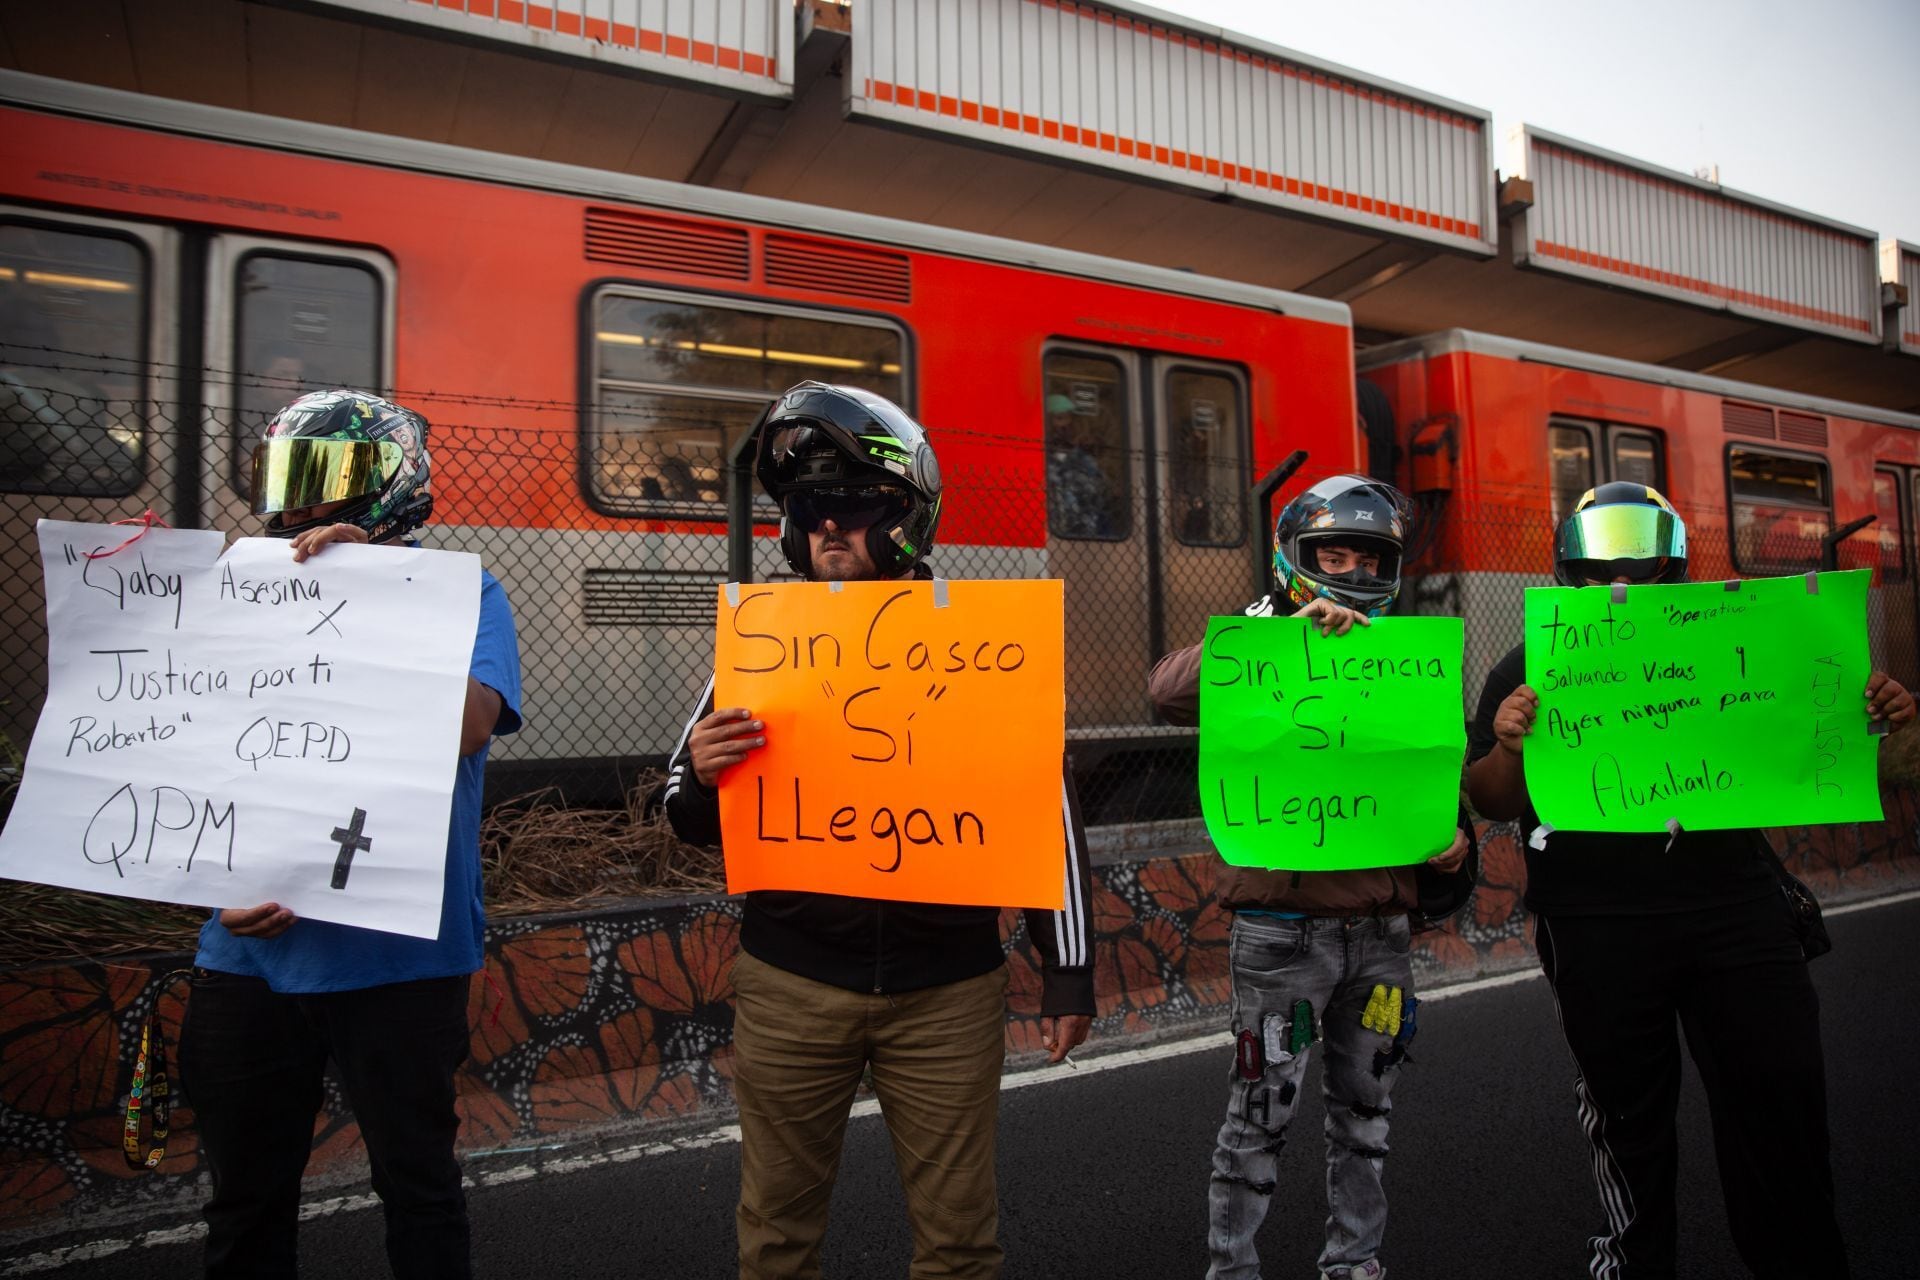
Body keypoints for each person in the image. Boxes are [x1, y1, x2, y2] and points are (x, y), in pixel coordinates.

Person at [664, 381, 1095, 1280]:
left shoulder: (983, 641)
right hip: (791, 980)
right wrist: (704, 772)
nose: (828, 528)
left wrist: (1071, 971)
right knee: (775, 1236)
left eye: (854, 505)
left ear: (907, 516)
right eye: (812, 507)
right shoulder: (763, 638)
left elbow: (1045, 810)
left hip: (947, 991)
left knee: (959, 1243)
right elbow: (685, 816)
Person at [1466, 481, 1915, 1280]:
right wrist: (1507, 746)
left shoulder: (1738, 635)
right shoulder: (1528, 659)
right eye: (1603, 555)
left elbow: (1836, 749)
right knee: (1627, 1120)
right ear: (1572, 558)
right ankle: (1634, 1266)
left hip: (1737, 911)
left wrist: (1881, 713)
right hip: (1595, 926)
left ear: (1673, 559)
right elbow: (1490, 797)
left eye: (1638, 553)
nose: (1621, 575)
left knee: (1780, 1105)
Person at [179, 390, 523, 1280]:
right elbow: (187, 750)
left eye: (331, 480)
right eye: (295, 479)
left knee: (417, 1188)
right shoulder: (244, 589)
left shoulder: (463, 591)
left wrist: (375, 596)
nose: (306, 506)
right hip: (244, 955)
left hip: (400, 962)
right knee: (244, 1203)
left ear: (394, 487)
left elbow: (467, 723)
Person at [1148, 474, 1476, 1280]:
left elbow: (1441, 783)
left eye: (1372, 560)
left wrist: (1455, 843)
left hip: (1382, 937)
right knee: (1259, 1116)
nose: (1356, 575)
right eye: (1336, 555)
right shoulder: (1261, 643)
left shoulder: (1402, 661)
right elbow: (1164, 690)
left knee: (1368, 1117)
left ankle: (1355, 1265)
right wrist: (1278, 634)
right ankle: (1233, 1270)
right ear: (1294, 560)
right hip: (1282, 937)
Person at [1044, 390, 1119, 538]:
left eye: (1070, 420)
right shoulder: (1038, 460)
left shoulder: (1085, 461)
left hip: (1088, 540)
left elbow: (1103, 500)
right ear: (1047, 423)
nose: (1067, 426)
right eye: (1060, 418)